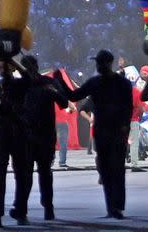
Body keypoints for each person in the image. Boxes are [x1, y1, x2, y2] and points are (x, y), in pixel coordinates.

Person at [53, 49, 132, 220]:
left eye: (99, 62)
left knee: (109, 170)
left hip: (106, 131)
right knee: (114, 169)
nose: (97, 65)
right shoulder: (121, 83)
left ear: (106, 63)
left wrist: (59, 81)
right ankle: (115, 207)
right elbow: (128, 107)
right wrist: (125, 127)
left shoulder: (98, 83)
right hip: (114, 131)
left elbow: (73, 95)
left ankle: (113, 207)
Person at [0, 57, 32, 228]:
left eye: (5, 66)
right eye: (0, 66)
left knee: (22, 175)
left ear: (11, 67)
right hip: (1, 134)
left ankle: (21, 210)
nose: (2, 69)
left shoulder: (18, 84)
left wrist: (15, 62)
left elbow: (29, 77)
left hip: (18, 133)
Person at [21, 55, 68, 221]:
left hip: (43, 136)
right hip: (28, 135)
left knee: (43, 174)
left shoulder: (46, 84)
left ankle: (47, 207)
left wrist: (54, 90)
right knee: (29, 175)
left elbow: (63, 102)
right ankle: (24, 209)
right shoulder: (21, 85)